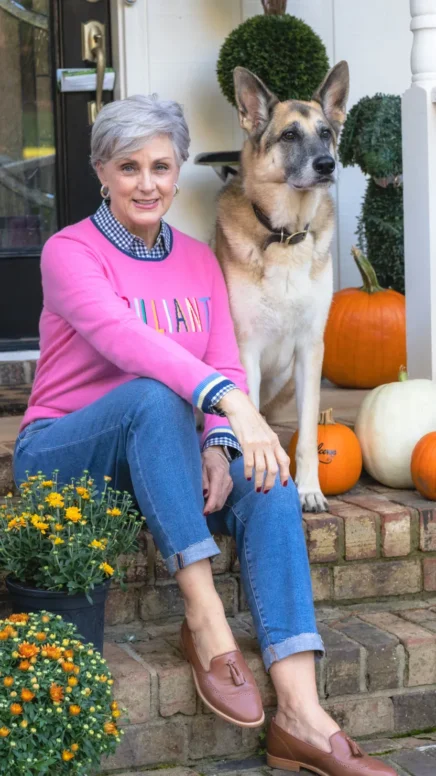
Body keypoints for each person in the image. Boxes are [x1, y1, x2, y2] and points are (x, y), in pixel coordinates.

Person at [13, 95, 396, 776]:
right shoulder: (68, 251)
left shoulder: (195, 259)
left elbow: (222, 358)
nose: (148, 182)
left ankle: (303, 717)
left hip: (161, 453)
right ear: (102, 170)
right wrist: (228, 406)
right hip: (67, 452)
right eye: (129, 166)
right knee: (154, 391)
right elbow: (128, 343)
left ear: (180, 167)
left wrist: (223, 441)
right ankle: (203, 614)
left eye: (162, 165)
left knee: (265, 469)